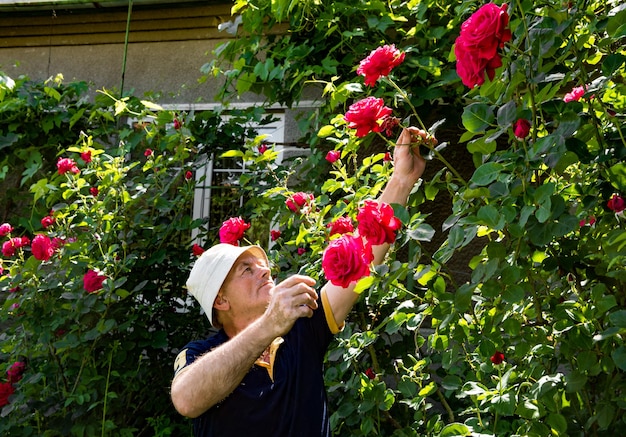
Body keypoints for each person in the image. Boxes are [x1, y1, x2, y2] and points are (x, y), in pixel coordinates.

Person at [170, 126, 430, 436]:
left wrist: (401, 179)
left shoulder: (304, 325)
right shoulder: (199, 354)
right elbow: (186, 400)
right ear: (221, 300)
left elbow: (361, 257)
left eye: (261, 265)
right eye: (246, 271)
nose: (265, 271)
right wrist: (270, 324)